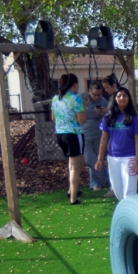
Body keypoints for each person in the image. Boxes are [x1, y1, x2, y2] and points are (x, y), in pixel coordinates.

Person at [95, 87, 138, 200]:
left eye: (125, 96)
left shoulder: (134, 118)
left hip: (130, 158)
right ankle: (125, 212)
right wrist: (99, 159)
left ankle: (131, 215)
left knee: (129, 191)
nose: (122, 98)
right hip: (113, 158)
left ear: (129, 99)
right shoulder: (109, 117)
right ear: (115, 99)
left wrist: (137, 161)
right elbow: (104, 139)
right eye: (119, 96)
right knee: (117, 189)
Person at [51, 73, 88, 204]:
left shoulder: (56, 98)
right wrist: (85, 107)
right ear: (74, 85)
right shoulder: (76, 99)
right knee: (74, 167)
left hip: (60, 134)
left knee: (75, 163)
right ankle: (73, 198)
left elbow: (53, 117)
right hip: (74, 134)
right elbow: (82, 120)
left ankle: (72, 189)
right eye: (77, 84)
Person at [81, 82, 111, 194]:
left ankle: (95, 183)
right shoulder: (82, 98)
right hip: (84, 132)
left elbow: (111, 113)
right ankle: (107, 179)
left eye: (99, 94)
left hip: (98, 132)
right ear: (89, 91)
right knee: (89, 159)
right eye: (95, 95)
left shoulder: (103, 101)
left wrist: (104, 112)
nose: (97, 97)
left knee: (97, 158)